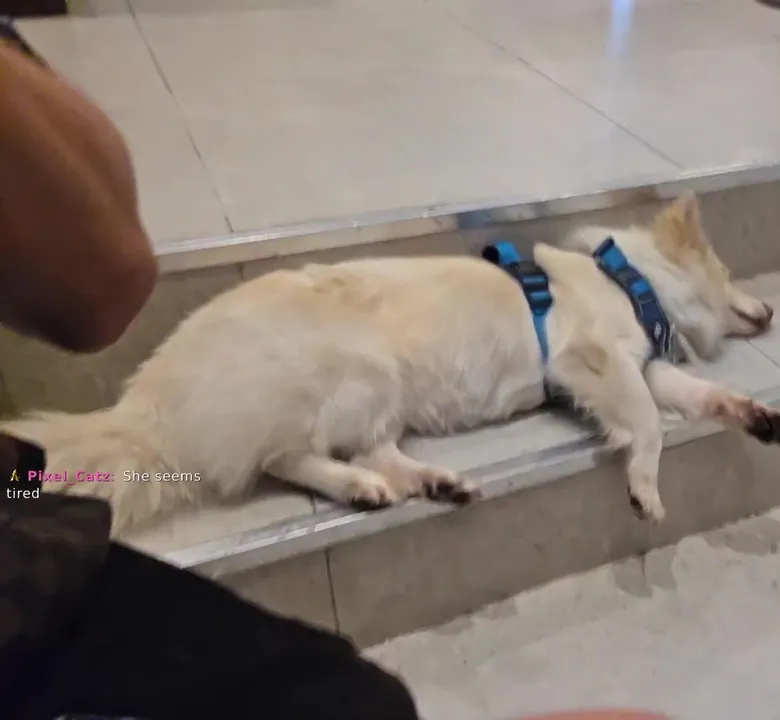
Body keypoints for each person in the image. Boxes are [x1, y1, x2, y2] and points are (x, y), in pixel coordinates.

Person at [1, 20, 672, 720]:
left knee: (103, 474)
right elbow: (107, 276)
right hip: (37, 574)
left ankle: (358, 462)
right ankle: (306, 462)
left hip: (31, 509)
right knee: (352, 692)